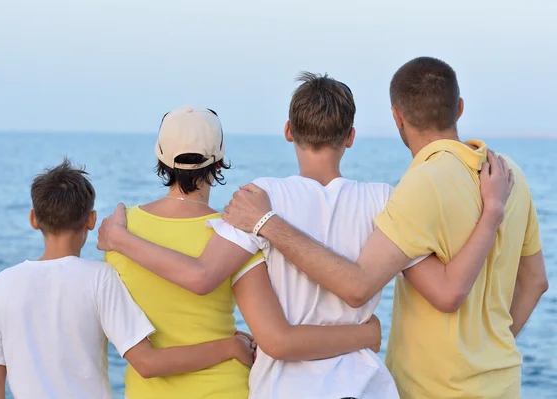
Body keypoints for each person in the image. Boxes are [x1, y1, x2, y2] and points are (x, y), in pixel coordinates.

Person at [97, 74, 511, 399]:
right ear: (350, 137)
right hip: (364, 386)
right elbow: (446, 293)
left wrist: (120, 238)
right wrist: (490, 214)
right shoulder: (383, 201)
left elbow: (203, 277)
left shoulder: (263, 197)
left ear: (288, 131)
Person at [222, 58, 549, 399]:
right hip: (503, 381)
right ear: (460, 108)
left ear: (397, 117)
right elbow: (536, 282)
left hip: (434, 387)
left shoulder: (419, 185)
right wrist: (491, 347)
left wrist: (265, 222)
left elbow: (360, 285)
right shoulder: (510, 174)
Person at [100, 105, 382, 399]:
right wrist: (366, 334)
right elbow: (275, 336)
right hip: (225, 388)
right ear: (219, 161)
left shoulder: (118, 230)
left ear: (159, 157)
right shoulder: (233, 233)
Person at [0, 160, 255, 399]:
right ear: (91, 220)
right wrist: (228, 347)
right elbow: (147, 363)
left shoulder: (3, 284)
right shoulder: (99, 279)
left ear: (34, 219)